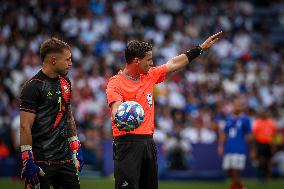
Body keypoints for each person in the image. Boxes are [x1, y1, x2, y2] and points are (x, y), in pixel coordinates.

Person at [106, 31, 222, 189]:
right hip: (127, 144)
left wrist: (200, 48)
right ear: (136, 61)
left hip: (148, 142)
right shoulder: (115, 83)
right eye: (148, 60)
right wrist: (121, 116)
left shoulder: (148, 75)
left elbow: (173, 63)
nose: (151, 63)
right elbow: (116, 108)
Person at [19, 37, 84, 189]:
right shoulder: (33, 87)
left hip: (65, 160)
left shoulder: (66, 83)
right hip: (41, 162)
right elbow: (24, 126)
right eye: (67, 59)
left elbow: (68, 115)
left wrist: (75, 144)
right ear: (54, 60)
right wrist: (27, 158)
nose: (71, 63)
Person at [218, 99, 253, 189]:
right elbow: (224, 133)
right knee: (229, 169)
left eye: (239, 105)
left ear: (241, 107)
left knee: (236, 170)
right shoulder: (228, 118)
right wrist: (221, 146)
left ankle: (237, 187)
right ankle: (240, 186)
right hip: (229, 147)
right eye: (235, 105)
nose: (237, 107)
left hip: (239, 147)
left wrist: (252, 148)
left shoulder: (245, 119)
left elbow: (249, 134)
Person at [252, 110, 277, 180]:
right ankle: (261, 176)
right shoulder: (257, 123)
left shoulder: (271, 123)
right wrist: (254, 148)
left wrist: (273, 146)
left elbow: (273, 135)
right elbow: (254, 135)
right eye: (263, 113)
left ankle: (268, 177)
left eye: (265, 113)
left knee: (269, 161)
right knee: (261, 161)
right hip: (260, 143)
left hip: (269, 144)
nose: (264, 114)